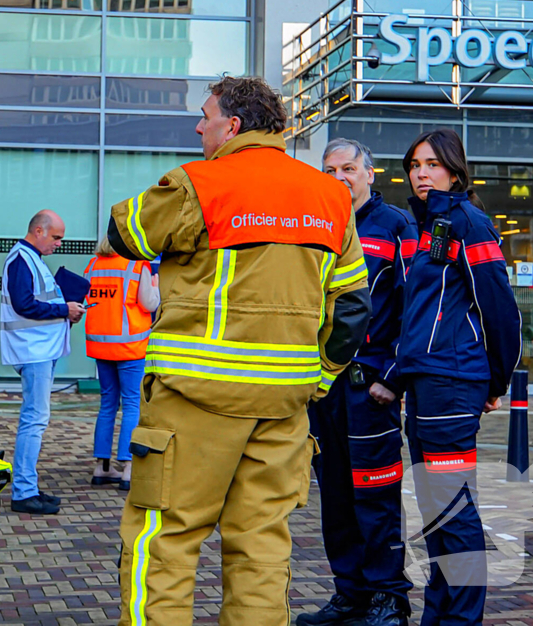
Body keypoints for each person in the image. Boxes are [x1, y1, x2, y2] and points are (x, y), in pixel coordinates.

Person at [108, 75, 372, 626]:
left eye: (204, 116)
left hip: (193, 402)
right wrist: (318, 379)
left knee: (165, 542)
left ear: (231, 126)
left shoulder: (197, 184)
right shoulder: (331, 198)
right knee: (261, 549)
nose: (198, 126)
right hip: (283, 408)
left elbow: (122, 231)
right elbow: (351, 310)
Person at [397, 128, 521, 626]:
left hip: (452, 380)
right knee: (435, 512)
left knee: (453, 510)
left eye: (431, 163)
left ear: (454, 169)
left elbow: (501, 309)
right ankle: (441, 615)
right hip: (426, 380)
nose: (421, 173)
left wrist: (495, 381)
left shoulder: (468, 222)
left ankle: (461, 620)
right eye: (414, 165)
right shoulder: (430, 225)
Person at [300, 139, 418, 626]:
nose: (340, 177)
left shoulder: (396, 227)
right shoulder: (315, 227)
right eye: (330, 170)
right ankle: (349, 595)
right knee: (336, 497)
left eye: (349, 168)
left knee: (375, 495)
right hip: (322, 388)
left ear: (371, 173)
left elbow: (417, 305)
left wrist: (394, 376)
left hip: (371, 388)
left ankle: (389, 598)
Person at [1, 210, 85, 515]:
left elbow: (31, 302)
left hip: (37, 350)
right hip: (33, 351)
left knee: (34, 419)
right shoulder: (23, 259)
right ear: (38, 230)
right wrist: (64, 309)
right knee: (34, 420)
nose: (59, 243)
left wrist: (65, 309)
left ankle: (28, 487)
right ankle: (24, 491)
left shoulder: (28, 258)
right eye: (56, 237)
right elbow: (24, 304)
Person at [83, 237, 160, 491]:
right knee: (131, 405)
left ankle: (102, 467)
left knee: (107, 405)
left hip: (100, 346)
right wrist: (155, 285)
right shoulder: (138, 266)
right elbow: (149, 304)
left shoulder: (93, 265)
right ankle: (128, 467)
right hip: (130, 346)